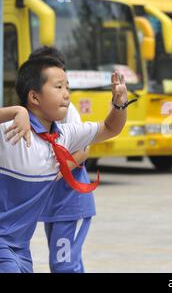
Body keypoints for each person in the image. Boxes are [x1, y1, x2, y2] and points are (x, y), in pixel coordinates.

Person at [0, 51, 130, 273]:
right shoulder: (10, 132)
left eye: (67, 87)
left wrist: (119, 104)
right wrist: (15, 111)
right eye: (58, 87)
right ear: (34, 97)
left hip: (20, 248)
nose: (67, 95)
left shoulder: (65, 136)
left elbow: (110, 128)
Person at [28, 46, 96, 273]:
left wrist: (54, 173)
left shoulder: (66, 110)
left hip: (69, 202)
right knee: (64, 264)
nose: (64, 91)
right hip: (54, 204)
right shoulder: (33, 112)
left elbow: (83, 150)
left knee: (64, 265)